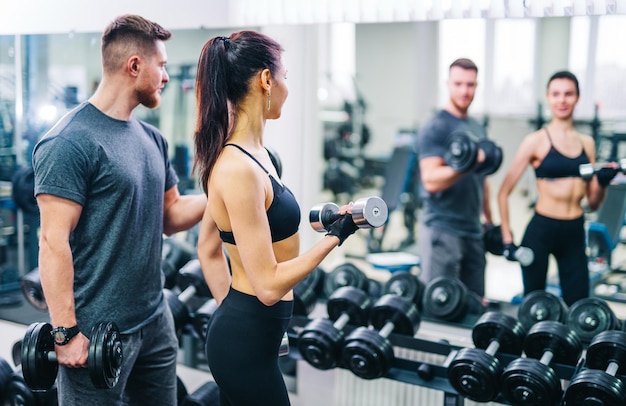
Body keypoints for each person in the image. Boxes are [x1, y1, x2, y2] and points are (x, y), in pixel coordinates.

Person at [32, 15, 207, 405]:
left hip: (154, 320)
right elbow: (51, 241)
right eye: (160, 66)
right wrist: (65, 334)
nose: (164, 76)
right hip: (95, 333)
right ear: (134, 66)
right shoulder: (69, 141)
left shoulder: (152, 139)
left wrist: (224, 197)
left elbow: (171, 215)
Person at [193, 31, 360, 406]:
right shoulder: (237, 169)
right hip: (244, 343)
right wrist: (336, 236)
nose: (287, 87)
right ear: (266, 80)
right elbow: (267, 286)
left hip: (253, 333)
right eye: (285, 76)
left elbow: (207, 248)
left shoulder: (259, 156)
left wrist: (243, 317)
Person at [497, 70, 616, 306]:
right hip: (542, 229)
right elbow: (503, 192)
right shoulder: (535, 141)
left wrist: (602, 182)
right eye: (556, 94)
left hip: (574, 230)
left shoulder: (587, 144)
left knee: (578, 305)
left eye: (568, 94)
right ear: (548, 97)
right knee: (535, 305)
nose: (562, 100)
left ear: (577, 98)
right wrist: (507, 238)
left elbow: (593, 202)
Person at [416, 57, 493, 298]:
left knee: (474, 304)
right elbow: (430, 179)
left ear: (476, 86)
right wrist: (468, 163)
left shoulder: (477, 127)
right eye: (458, 84)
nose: (464, 90)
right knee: (439, 304)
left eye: (470, 85)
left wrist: (489, 219)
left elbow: (482, 178)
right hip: (443, 229)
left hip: (473, 230)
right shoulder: (436, 127)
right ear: (448, 84)